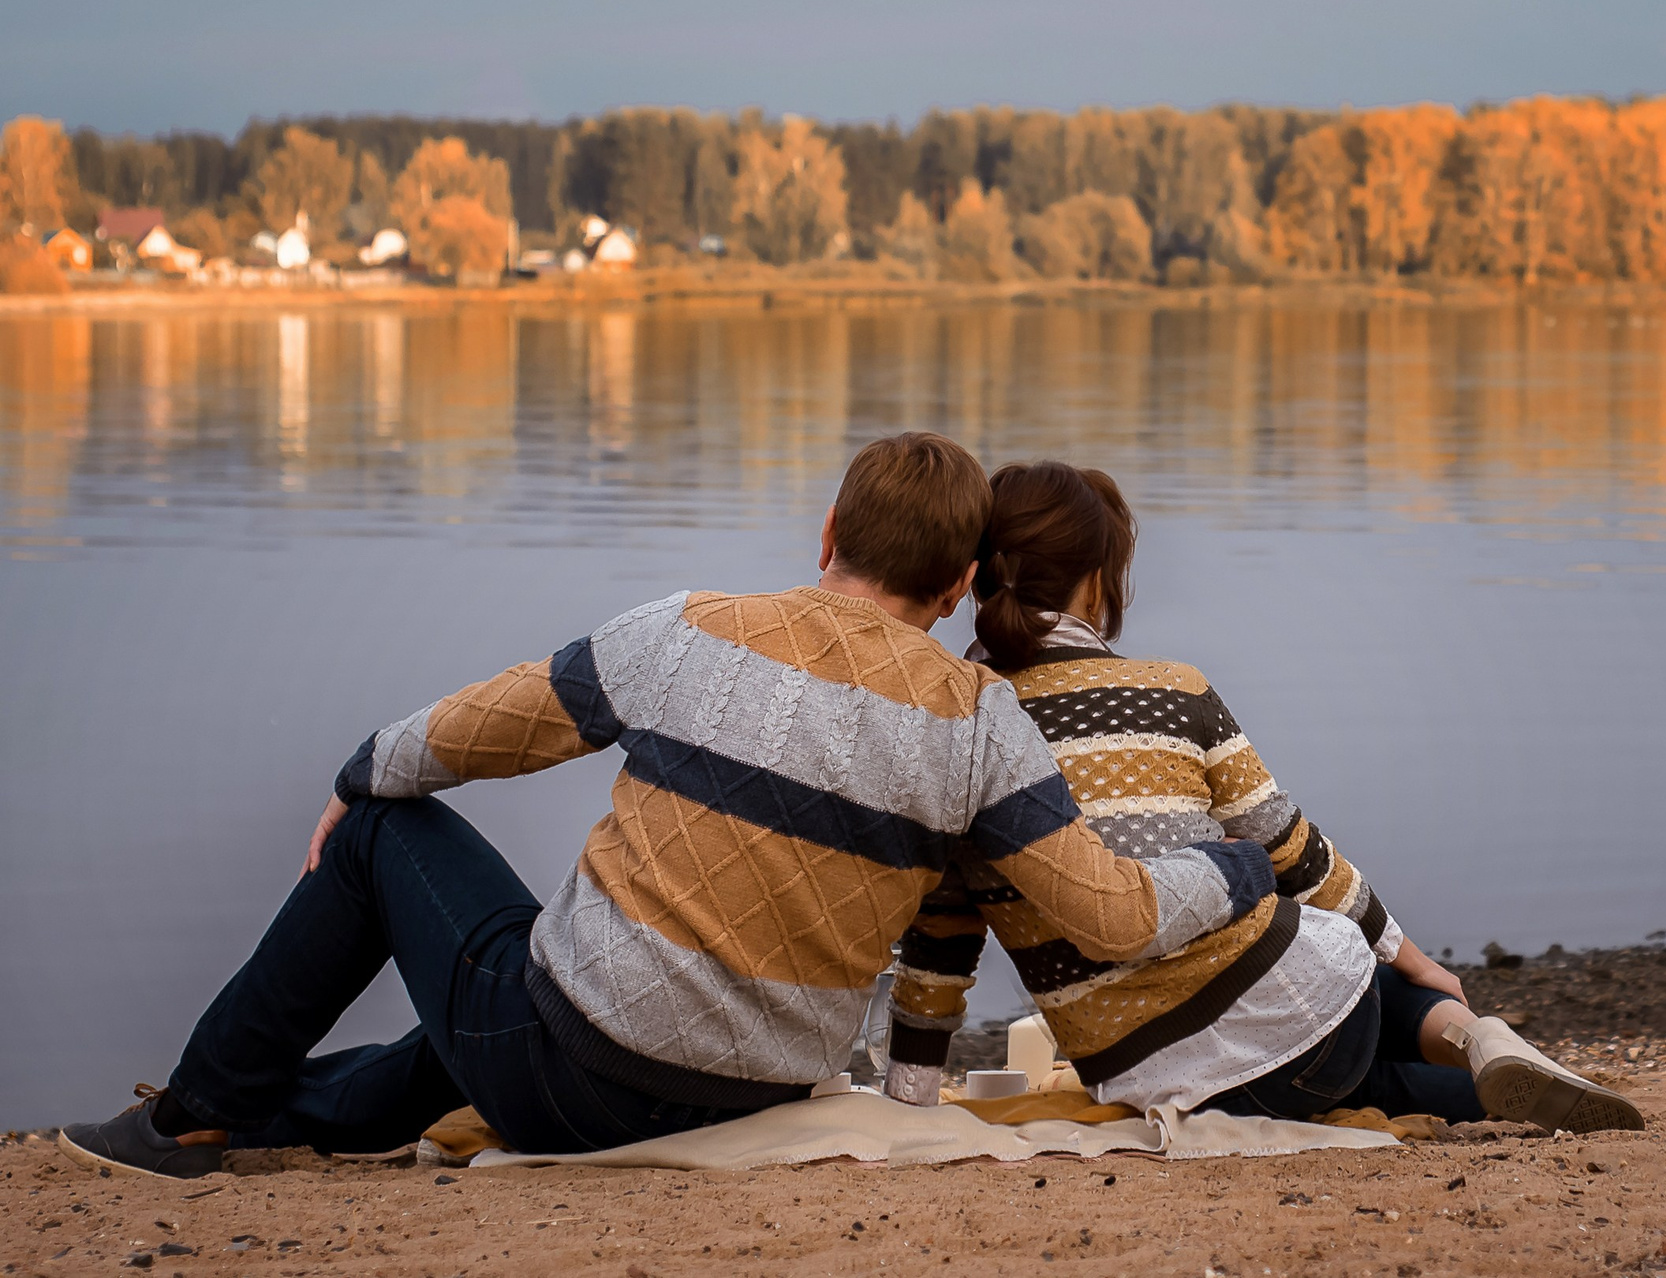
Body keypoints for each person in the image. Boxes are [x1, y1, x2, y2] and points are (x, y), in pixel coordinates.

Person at [59, 434, 1274, 1179]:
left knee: (396, 840)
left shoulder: (686, 631)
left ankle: (200, 1117)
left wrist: (361, 772)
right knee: (499, 1000)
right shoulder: (981, 723)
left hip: (570, 1073)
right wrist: (1240, 868)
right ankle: (273, 1110)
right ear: (958, 589)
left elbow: (482, 729)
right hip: (752, 1087)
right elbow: (1114, 916)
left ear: (828, 534)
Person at [884, 460, 1640, 1132]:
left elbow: (941, 941)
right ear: (1094, 581)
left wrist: (910, 1101)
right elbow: (1295, 852)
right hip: (1302, 994)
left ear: (978, 575)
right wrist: (1414, 958)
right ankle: (1473, 1035)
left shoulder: (961, 732)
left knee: (1365, 1079)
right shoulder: (1175, 692)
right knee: (1358, 992)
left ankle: (1473, 1085)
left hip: (1157, 1070)